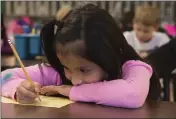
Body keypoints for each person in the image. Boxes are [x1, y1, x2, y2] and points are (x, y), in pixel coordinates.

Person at [1, 3, 161, 108]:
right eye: (66, 67)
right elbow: (4, 76)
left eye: (84, 70)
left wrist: (69, 91)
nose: (75, 80)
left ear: (108, 56)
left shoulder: (132, 69)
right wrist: (18, 89)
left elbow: (133, 95)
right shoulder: (58, 72)